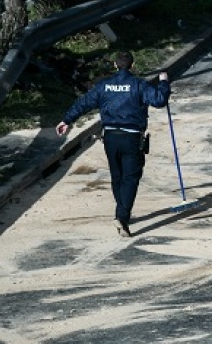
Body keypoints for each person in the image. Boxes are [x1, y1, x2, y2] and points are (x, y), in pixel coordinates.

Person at [55, 52, 171, 238]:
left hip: (110, 137)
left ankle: (121, 210)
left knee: (117, 176)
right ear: (132, 66)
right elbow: (159, 100)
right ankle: (122, 216)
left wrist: (66, 120)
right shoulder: (140, 84)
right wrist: (164, 82)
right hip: (132, 138)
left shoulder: (103, 86)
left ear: (115, 66)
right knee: (131, 177)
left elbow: (83, 103)